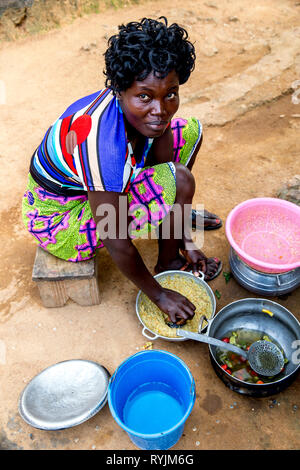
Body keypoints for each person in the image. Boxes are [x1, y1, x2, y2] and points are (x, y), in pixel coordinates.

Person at [22, 17, 222, 325]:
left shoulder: (147, 114)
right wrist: (160, 296)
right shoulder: (104, 148)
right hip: (60, 221)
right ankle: (167, 261)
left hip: (100, 186)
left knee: (189, 133)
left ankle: (173, 243)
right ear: (120, 89)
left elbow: (162, 165)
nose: (161, 109)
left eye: (170, 93)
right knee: (180, 180)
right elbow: (114, 238)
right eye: (145, 96)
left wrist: (185, 235)